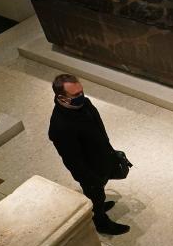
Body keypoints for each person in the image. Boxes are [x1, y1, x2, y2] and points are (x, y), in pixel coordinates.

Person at [48, 74, 130, 235]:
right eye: (76, 94)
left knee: (100, 191)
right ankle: (100, 221)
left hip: (101, 157)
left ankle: (98, 202)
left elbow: (98, 127)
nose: (81, 96)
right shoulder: (60, 127)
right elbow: (72, 160)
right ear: (62, 98)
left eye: (81, 91)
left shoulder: (85, 104)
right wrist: (90, 179)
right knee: (95, 194)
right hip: (89, 170)